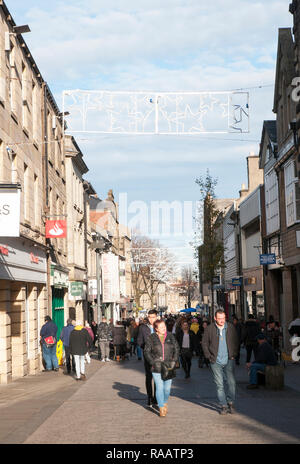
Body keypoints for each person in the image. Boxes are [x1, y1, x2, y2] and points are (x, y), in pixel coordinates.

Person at [202, 310, 239, 415]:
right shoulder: (209, 329)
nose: (222, 320)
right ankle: (223, 405)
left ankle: (230, 402)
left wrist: (233, 354)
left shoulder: (230, 327)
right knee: (219, 384)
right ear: (215, 318)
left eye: (223, 318)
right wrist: (209, 356)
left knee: (232, 383)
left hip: (229, 359)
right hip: (215, 361)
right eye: (219, 318)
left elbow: (236, 341)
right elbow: (204, 343)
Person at [144, 319, 180, 417]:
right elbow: (146, 351)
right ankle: (161, 406)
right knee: (159, 387)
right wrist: (152, 362)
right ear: (156, 329)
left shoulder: (170, 336)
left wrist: (174, 360)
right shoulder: (151, 338)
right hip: (157, 366)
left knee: (167, 389)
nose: (164, 329)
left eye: (164, 326)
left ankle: (164, 401)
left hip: (168, 366)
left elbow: (176, 348)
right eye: (161, 327)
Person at [137, 309, 159, 407]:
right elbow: (139, 341)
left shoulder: (161, 326)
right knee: (149, 377)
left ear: (157, 317)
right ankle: (150, 397)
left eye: (153, 317)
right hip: (148, 356)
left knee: (157, 377)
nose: (151, 319)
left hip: (159, 356)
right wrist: (145, 347)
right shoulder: (143, 328)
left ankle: (156, 398)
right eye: (150, 317)